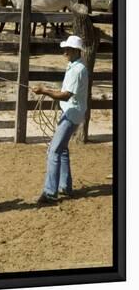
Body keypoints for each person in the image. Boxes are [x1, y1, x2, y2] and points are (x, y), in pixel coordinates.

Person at [31, 35, 89, 205]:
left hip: (71, 113)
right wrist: (47, 90)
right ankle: (66, 187)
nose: (65, 52)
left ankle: (50, 193)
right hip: (73, 112)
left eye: (68, 50)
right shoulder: (76, 66)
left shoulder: (77, 70)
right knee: (61, 150)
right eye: (65, 49)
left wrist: (44, 91)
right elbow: (67, 92)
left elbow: (65, 95)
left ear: (75, 50)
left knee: (53, 151)